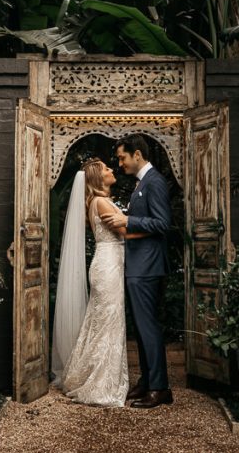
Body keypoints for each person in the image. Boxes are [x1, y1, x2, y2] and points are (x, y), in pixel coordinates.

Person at [55, 158, 146, 407]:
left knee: (102, 321)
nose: (111, 169)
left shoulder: (99, 201)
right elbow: (126, 233)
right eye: (106, 168)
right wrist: (154, 230)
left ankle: (90, 375)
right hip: (108, 266)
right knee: (107, 323)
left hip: (109, 264)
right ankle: (100, 384)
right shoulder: (101, 202)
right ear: (98, 177)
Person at [101, 134, 174, 409]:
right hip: (138, 266)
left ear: (138, 155)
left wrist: (127, 219)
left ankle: (160, 388)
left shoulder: (154, 182)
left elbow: (163, 223)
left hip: (148, 266)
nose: (120, 164)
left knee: (148, 327)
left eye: (122, 158)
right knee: (142, 329)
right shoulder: (142, 183)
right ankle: (147, 381)